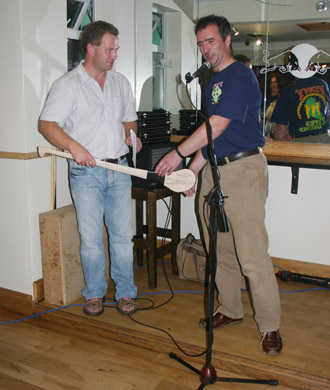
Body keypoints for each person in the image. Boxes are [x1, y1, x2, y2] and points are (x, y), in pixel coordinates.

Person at [155, 14, 282, 355]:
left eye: (210, 41)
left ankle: (269, 326)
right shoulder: (212, 81)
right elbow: (211, 139)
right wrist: (194, 171)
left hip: (243, 169)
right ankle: (230, 308)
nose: (205, 49)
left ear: (227, 40)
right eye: (200, 43)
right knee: (219, 250)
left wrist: (179, 153)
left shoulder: (240, 74)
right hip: (214, 168)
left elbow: (219, 124)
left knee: (252, 256)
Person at [38, 21, 142, 316]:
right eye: (109, 49)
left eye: (116, 49)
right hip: (86, 174)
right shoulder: (67, 85)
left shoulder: (120, 83)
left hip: (121, 169)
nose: (114, 55)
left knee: (123, 238)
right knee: (92, 240)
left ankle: (125, 293)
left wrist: (131, 137)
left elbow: (129, 120)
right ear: (91, 48)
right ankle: (94, 294)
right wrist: (74, 147)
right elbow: (46, 124)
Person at [271, 76, 330, 142]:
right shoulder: (323, 84)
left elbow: (281, 126)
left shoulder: (289, 90)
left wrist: (278, 142)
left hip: (300, 142)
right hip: (324, 139)